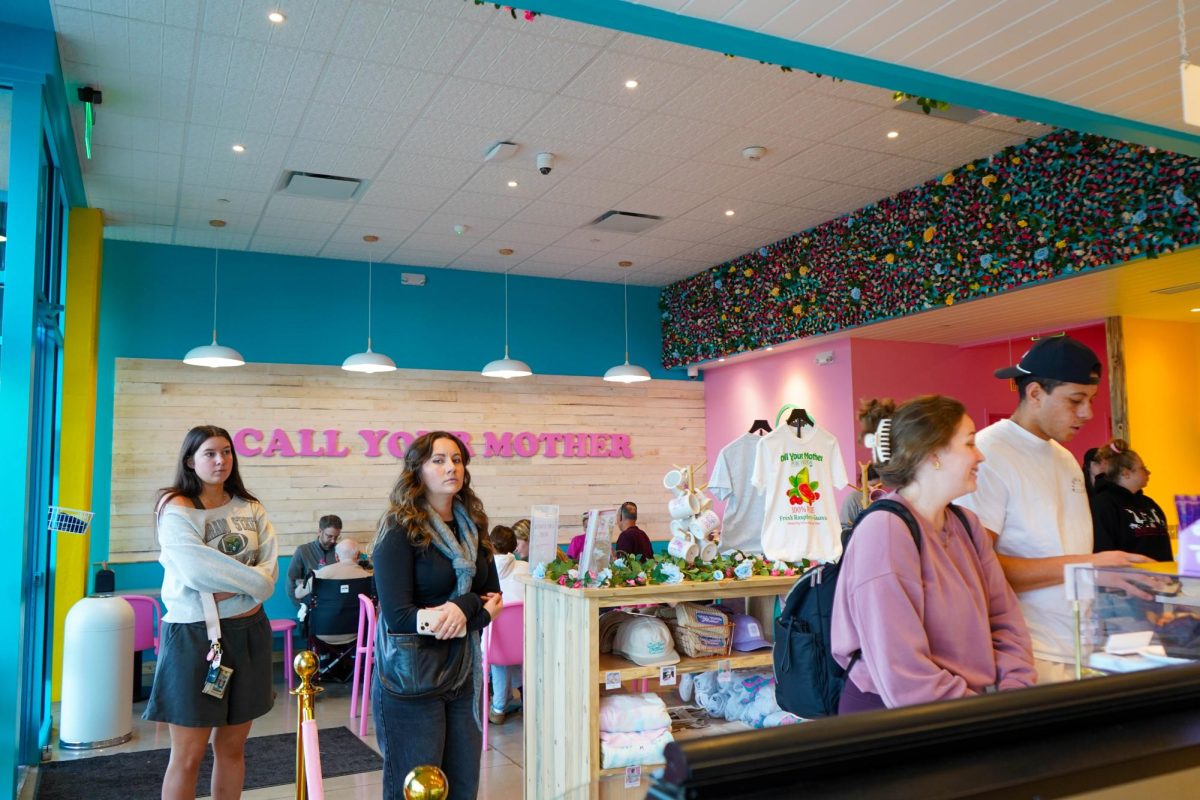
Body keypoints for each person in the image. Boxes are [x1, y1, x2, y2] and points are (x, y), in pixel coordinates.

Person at [957, 336, 1152, 683]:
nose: (1087, 413)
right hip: (1025, 651)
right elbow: (975, 567)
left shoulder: (1063, 457)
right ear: (1034, 394)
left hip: (1079, 643)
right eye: (1075, 400)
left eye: (1090, 400)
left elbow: (1063, 551)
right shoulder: (989, 454)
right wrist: (1090, 565)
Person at [831, 396, 1036, 713]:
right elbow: (903, 672)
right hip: (895, 718)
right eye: (969, 443)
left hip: (962, 712)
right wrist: (990, 715)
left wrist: (1014, 694)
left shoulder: (966, 525)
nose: (979, 456)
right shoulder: (884, 532)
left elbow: (1006, 620)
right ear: (933, 455)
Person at [144, 425, 278, 800]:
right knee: (188, 755)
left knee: (233, 748)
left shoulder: (250, 507)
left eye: (227, 452)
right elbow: (195, 570)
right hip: (194, 636)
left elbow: (268, 574)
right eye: (209, 453)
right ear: (190, 460)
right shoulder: (175, 508)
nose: (220, 461)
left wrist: (240, 582)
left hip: (249, 629)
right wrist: (250, 581)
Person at [372, 432, 502, 800]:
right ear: (418, 470)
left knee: (462, 786)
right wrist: (473, 611)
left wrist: (461, 609)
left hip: (463, 674)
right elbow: (399, 618)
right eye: (439, 460)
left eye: (457, 459)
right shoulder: (399, 530)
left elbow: (492, 596)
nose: (451, 468)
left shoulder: (473, 526)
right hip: (412, 678)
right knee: (415, 788)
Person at [1090, 439, 1173, 561]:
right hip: (1127, 578)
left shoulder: (1150, 504)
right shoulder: (1102, 505)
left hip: (1162, 577)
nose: (1148, 472)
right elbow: (1104, 552)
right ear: (1126, 473)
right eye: (1143, 468)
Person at [487, 525, 529, 724]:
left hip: (496, 647)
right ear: (514, 546)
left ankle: (498, 708)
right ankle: (527, 700)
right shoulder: (526, 569)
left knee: (496, 655)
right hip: (525, 644)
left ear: (491, 546)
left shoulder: (484, 572)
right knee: (518, 657)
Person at [287, 514, 342, 609]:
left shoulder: (341, 551)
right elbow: (291, 582)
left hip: (335, 607)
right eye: (329, 536)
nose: (333, 540)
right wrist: (301, 607)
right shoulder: (303, 551)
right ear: (319, 532)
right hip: (310, 607)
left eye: (336, 537)